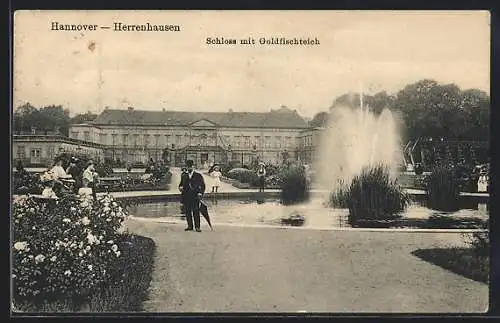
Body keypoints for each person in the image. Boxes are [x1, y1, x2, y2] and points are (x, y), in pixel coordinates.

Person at [178, 159, 206, 232]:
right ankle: (190, 226)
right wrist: (180, 187)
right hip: (186, 196)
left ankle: (197, 227)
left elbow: (202, 185)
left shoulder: (198, 175)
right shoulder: (184, 175)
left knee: (196, 211)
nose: (189, 168)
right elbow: (181, 184)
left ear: (193, 166)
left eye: (190, 166)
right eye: (188, 166)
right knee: (187, 212)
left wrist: (200, 193)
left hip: (195, 196)